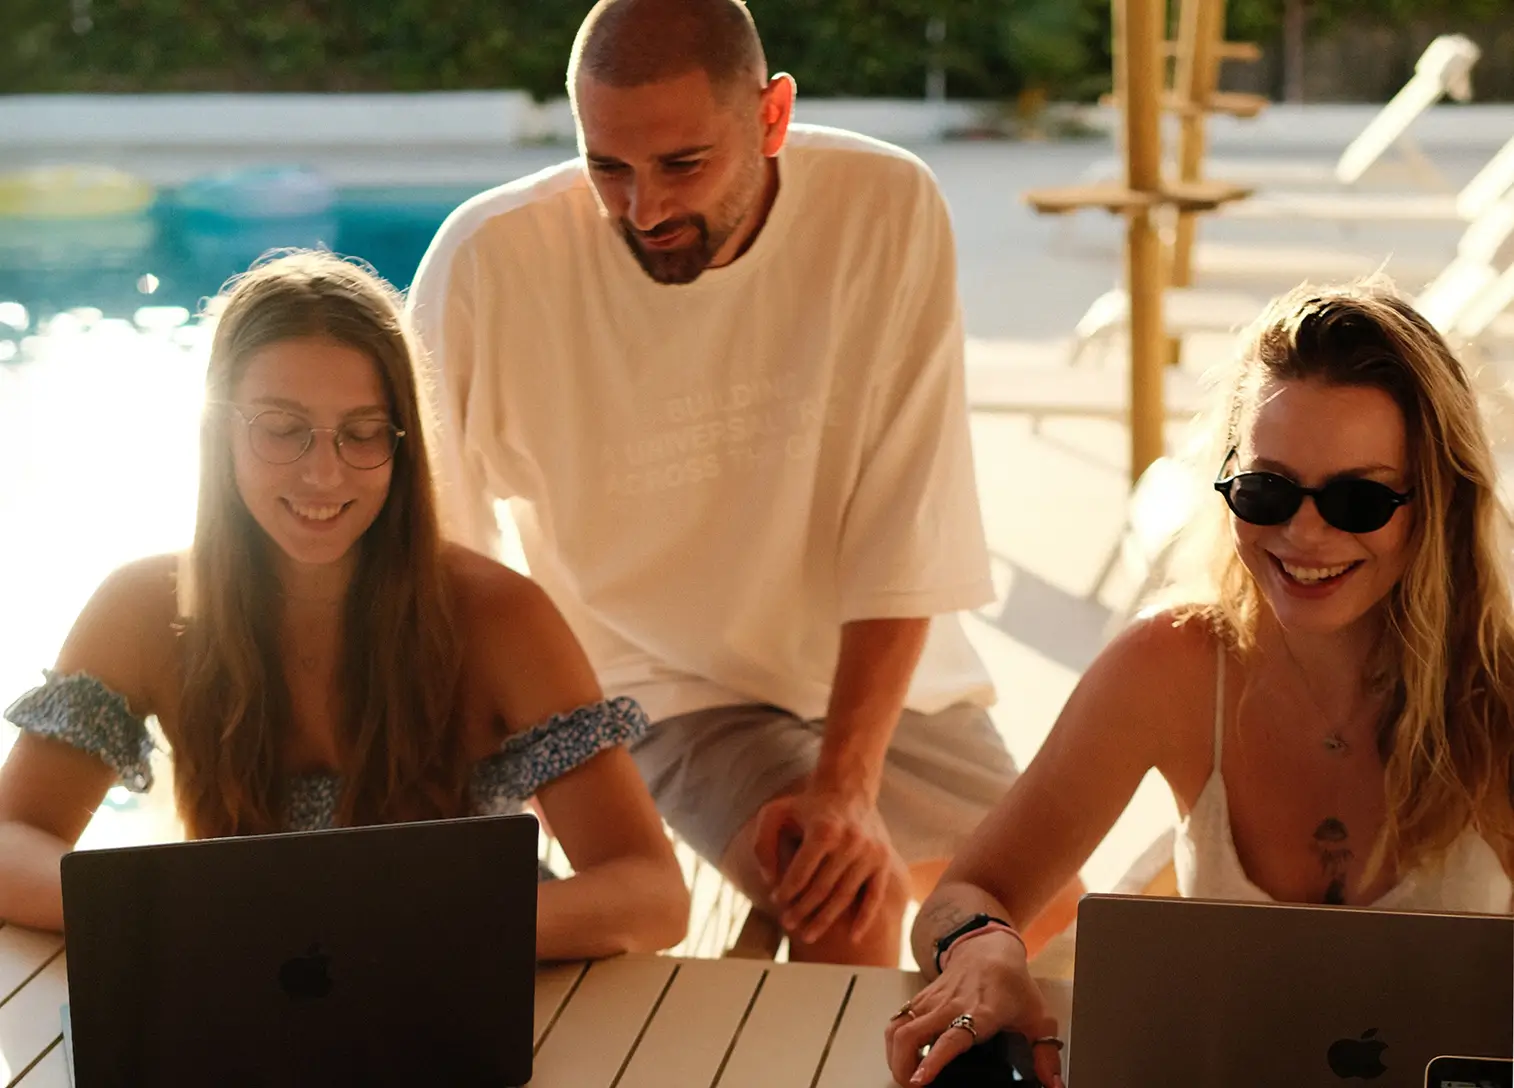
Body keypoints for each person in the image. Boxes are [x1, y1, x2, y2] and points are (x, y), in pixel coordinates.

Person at [404, 0, 1081, 967]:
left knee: (1058, 940)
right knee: (844, 898)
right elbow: (443, 560)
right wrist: (519, 790)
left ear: (772, 117)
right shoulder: (487, 263)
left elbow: (905, 511)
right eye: (608, 167)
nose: (644, 209)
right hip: (660, 681)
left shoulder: (884, 205)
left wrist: (847, 785)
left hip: (879, 672)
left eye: (683, 164)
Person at [888, 282, 1514, 1088]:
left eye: (1357, 499)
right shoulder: (1172, 666)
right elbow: (968, 892)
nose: (1303, 533)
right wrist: (983, 949)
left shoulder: (1497, 694)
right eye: (1267, 489)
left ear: (1440, 503)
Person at [0, 250, 691, 962]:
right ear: (219, 431)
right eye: (281, 428)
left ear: (402, 445)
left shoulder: (498, 616)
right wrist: (170, 911)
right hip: (245, 986)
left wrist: (410, 932)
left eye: (362, 433)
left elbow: (651, 892)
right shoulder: (145, 609)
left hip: (457, 976)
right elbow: (10, 841)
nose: (324, 473)